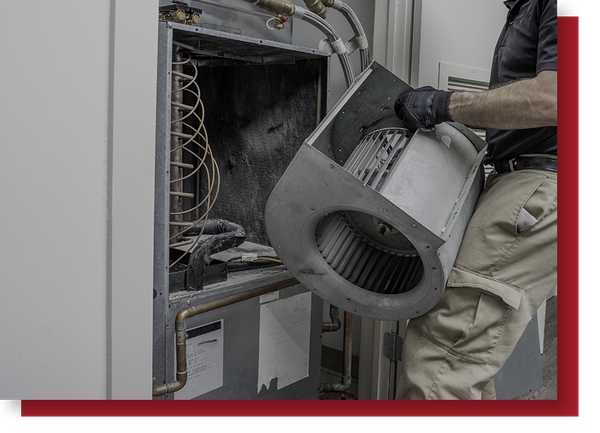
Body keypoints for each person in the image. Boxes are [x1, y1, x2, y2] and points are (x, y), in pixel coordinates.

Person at [393, 0, 558, 400]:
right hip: (527, 179)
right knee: (465, 364)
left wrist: (443, 104)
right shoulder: (525, 8)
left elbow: (554, 98)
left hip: (539, 184)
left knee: (440, 359)